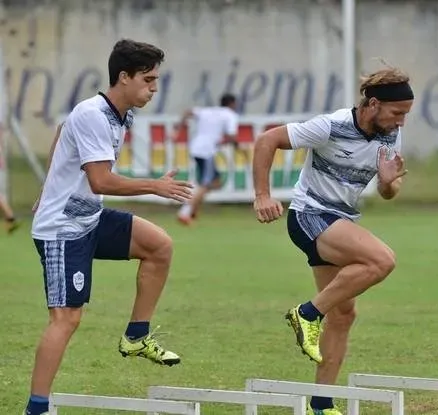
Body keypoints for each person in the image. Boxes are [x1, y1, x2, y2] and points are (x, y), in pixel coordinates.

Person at [24, 39, 193, 415]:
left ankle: (136, 336)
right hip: (62, 230)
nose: (154, 88)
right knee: (66, 318)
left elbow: (62, 131)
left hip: (89, 218)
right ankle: (35, 409)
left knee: (159, 246)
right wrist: (156, 186)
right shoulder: (93, 115)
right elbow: (101, 181)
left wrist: (45, 185)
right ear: (123, 77)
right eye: (148, 80)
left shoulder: (119, 114)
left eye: (156, 80)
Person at [252, 66, 413, 415]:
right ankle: (306, 314)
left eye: (405, 115)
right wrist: (262, 195)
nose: (401, 122)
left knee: (343, 314)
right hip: (310, 216)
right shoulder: (330, 125)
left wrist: (387, 183)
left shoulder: (390, 136)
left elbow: (389, 191)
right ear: (373, 103)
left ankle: (320, 405)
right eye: (397, 113)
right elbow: (267, 141)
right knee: (382, 260)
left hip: (340, 222)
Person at [176, 93, 239, 225]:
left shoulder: (208, 111)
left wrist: (177, 130)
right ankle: (185, 212)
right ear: (232, 104)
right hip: (207, 151)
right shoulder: (230, 114)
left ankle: (193, 211)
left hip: (196, 148)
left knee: (215, 182)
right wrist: (230, 144)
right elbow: (232, 136)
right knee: (206, 184)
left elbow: (188, 112)